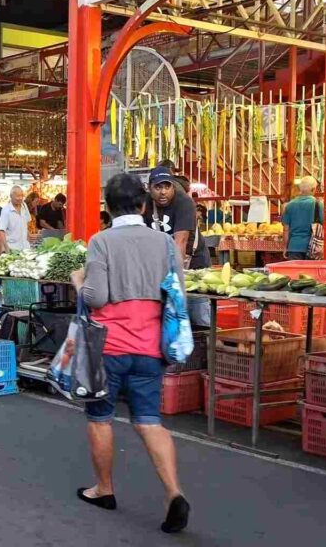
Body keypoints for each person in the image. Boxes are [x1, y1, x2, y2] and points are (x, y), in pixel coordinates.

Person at [71, 172, 190, 534]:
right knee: (149, 420)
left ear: (107, 208)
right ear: (143, 204)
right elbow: (177, 289)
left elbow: (97, 297)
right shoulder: (165, 243)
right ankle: (174, 493)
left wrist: (79, 282)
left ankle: (104, 489)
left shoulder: (101, 241)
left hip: (108, 346)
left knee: (100, 417)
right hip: (150, 345)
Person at [143, 165, 210, 270]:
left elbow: (180, 242)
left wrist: (176, 276)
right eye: (158, 187)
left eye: (167, 187)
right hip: (161, 258)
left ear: (173, 187)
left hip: (193, 259)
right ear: (149, 188)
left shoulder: (184, 202)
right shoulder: (144, 203)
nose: (163, 192)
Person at [282, 176, 323, 260]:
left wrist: (285, 247)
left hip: (294, 247)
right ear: (313, 189)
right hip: (314, 247)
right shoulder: (319, 204)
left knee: (294, 272)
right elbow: (325, 225)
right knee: (311, 273)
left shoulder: (289, 205)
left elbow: (286, 229)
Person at [0, 185, 31, 251]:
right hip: (13, 248)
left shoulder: (24, 206)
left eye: (22, 196)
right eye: (17, 196)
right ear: (11, 196)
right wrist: (6, 248)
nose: (20, 198)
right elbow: (1, 231)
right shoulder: (6, 210)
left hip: (26, 248)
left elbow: (26, 223)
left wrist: (28, 238)